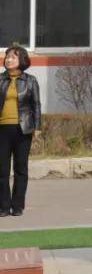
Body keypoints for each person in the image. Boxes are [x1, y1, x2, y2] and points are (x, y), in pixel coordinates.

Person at [0, 46, 41, 217]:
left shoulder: (31, 80)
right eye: (7, 57)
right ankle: (3, 206)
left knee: (20, 168)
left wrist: (37, 127)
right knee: (1, 170)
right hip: (2, 129)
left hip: (23, 129)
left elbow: (36, 105)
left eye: (13, 57)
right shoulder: (0, 79)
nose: (9, 60)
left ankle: (17, 206)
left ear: (21, 60)